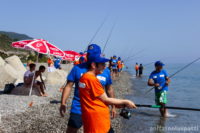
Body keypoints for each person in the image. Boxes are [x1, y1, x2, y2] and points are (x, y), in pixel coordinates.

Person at [60, 44, 116, 133]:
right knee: (71, 129)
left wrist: (113, 107)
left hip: (98, 109)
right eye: (88, 54)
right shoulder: (77, 68)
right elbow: (68, 86)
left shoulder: (105, 70)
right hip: (79, 107)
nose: (90, 56)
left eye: (93, 54)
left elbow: (109, 89)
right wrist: (63, 103)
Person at [79, 54, 136, 133]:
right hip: (97, 121)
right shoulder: (92, 80)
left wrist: (117, 105)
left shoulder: (84, 77)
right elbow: (106, 99)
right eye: (102, 64)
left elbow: (95, 99)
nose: (104, 67)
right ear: (93, 65)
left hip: (95, 119)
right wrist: (126, 101)